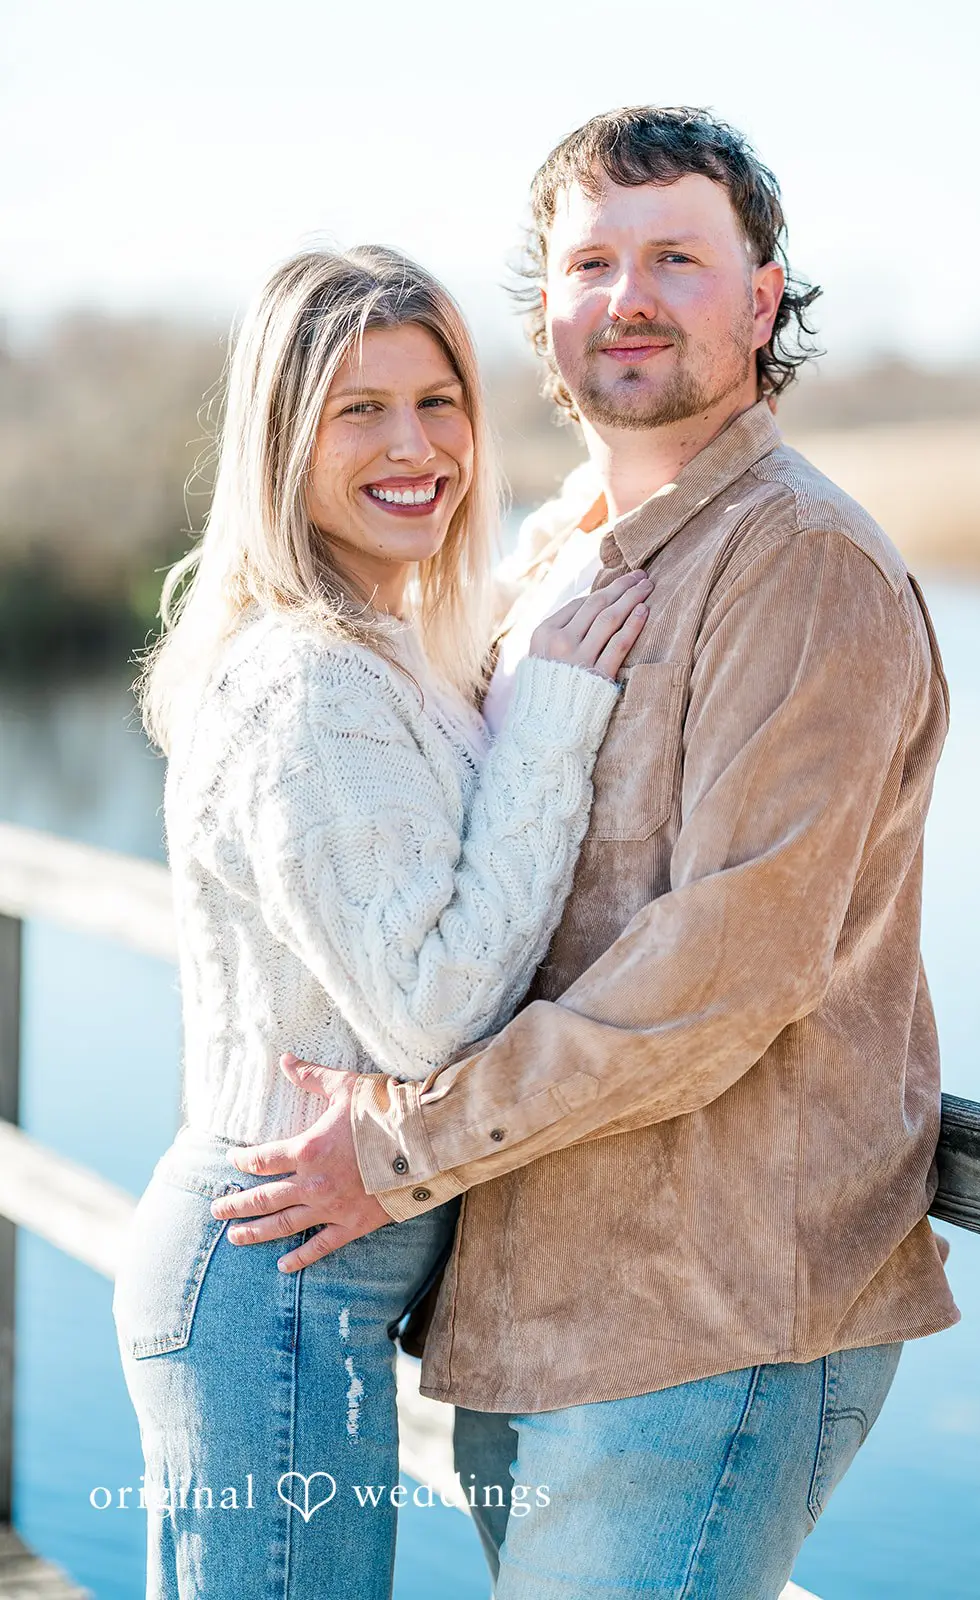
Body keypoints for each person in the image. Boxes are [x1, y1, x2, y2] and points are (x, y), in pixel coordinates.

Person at [215, 107, 961, 1599]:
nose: (626, 296)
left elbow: (720, 976)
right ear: (543, 312)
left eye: (675, 258)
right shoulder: (556, 557)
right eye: (589, 263)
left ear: (758, 302)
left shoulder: (793, 562)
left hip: (711, 1310)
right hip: (528, 1294)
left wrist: (397, 1147)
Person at [111, 242, 653, 1599]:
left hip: (308, 1286)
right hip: (268, 1287)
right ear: (281, 441)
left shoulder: (387, 645)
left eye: (439, 402)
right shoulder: (307, 686)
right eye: (360, 410)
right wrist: (553, 718)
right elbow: (433, 1012)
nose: (415, 446)